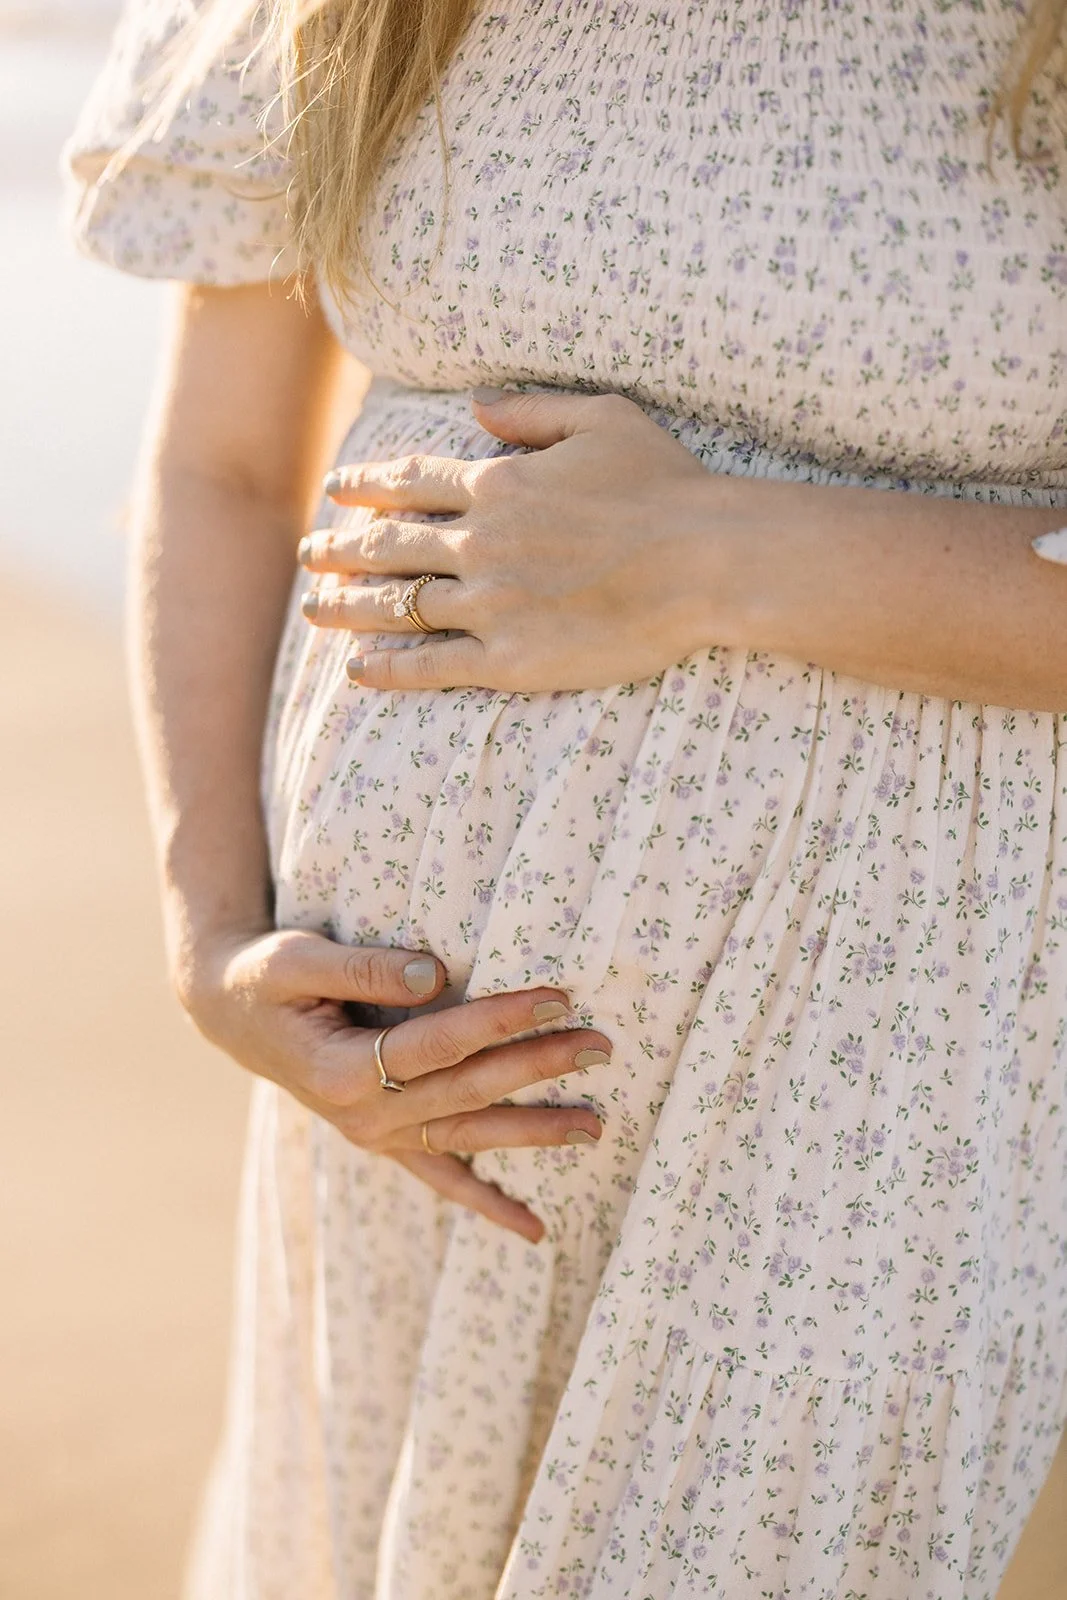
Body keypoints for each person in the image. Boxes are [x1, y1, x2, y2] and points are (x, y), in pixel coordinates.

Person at [64, 1, 1067, 1595]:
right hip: (399, 1107)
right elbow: (224, 465)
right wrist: (214, 940)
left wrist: (714, 556)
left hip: (871, 1113)